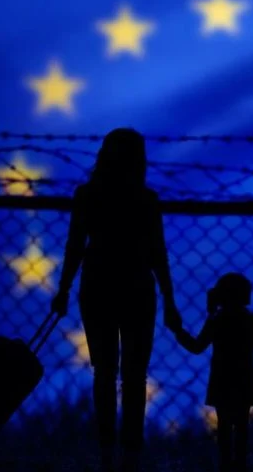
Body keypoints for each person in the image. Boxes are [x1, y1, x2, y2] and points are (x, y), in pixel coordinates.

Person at [51, 128, 182, 472]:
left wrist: (63, 289)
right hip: (136, 286)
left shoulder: (89, 195)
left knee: (105, 373)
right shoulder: (145, 199)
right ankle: (129, 455)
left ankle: (110, 453)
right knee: (133, 376)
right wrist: (169, 299)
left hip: (98, 286)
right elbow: (158, 254)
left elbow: (76, 246)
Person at [172, 273, 253, 472]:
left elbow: (197, 346)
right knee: (242, 426)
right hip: (244, 378)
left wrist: (179, 332)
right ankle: (240, 464)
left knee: (224, 427)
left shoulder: (217, 320)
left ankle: (226, 465)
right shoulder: (250, 318)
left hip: (221, 379)